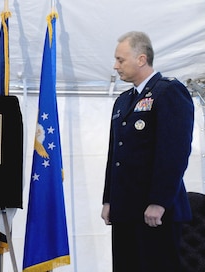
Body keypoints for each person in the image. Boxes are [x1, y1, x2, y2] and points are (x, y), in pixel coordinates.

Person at [101, 31, 194, 272]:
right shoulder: (123, 101)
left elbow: (174, 152)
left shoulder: (168, 92)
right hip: (125, 210)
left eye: (120, 60)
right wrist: (109, 199)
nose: (115, 66)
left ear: (141, 59)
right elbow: (116, 156)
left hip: (154, 212)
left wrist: (159, 202)